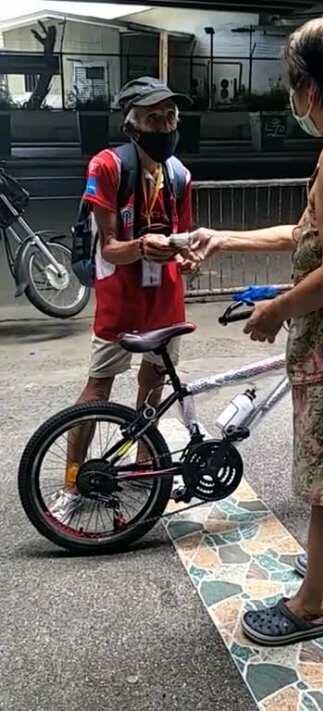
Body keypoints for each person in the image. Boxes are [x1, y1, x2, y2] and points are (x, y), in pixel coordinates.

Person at [192, 17, 323, 645]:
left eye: (292, 82)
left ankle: (311, 606)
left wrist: (276, 309)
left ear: (310, 86)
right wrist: (224, 236)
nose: (293, 95)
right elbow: (311, 235)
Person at [51, 77, 195, 520]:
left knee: (153, 382)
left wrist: (186, 256)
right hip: (120, 296)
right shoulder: (107, 167)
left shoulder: (179, 174)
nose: (166, 126)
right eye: (155, 118)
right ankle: (74, 478)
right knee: (99, 387)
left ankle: (143, 462)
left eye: (171, 117)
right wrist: (141, 248)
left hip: (165, 295)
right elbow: (108, 245)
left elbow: (182, 237)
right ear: (132, 126)